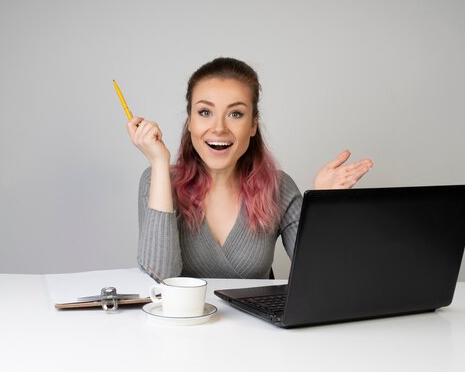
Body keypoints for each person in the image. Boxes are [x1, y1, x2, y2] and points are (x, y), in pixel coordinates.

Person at [126, 57, 373, 281]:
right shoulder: (157, 180)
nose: (219, 128)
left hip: (259, 330)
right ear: (190, 121)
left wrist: (322, 205)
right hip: (182, 329)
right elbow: (159, 279)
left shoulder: (280, 187)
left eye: (235, 113)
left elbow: (323, 274)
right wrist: (159, 164)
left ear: (253, 125)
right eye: (205, 112)